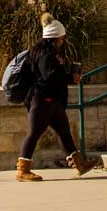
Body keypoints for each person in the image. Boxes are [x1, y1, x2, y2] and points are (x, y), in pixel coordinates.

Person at [15, 16, 101, 181]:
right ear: (54, 38)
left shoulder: (48, 53)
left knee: (64, 132)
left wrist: (70, 77)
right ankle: (22, 170)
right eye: (61, 38)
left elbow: (55, 76)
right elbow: (49, 77)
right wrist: (68, 75)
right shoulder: (45, 55)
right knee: (33, 133)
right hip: (42, 100)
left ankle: (79, 164)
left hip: (52, 101)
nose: (63, 41)